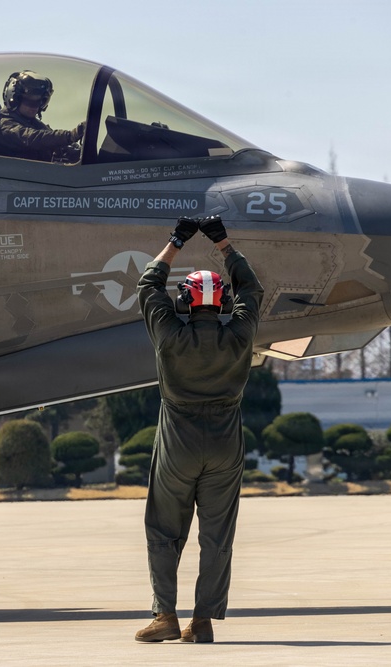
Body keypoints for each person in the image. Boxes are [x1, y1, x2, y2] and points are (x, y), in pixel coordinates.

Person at [133, 215, 264, 644]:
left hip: (178, 444)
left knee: (164, 531)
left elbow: (148, 287)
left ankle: (165, 615)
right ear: (222, 303)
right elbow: (252, 290)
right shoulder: (240, 335)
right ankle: (203, 621)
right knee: (217, 536)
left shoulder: (170, 336)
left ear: (185, 303)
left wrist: (177, 241)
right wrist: (222, 243)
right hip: (226, 445)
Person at [0, 70, 86, 162]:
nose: (35, 106)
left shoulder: (33, 123)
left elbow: (53, 141)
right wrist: (71, 135)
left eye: (40, 101)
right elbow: (32, 138)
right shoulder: (6, 125)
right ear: (14, 97)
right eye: (29, 100)